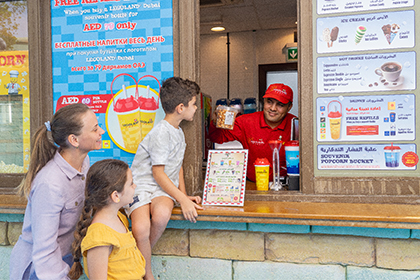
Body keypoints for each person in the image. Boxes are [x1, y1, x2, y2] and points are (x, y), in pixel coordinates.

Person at [10, 103, 105, 280]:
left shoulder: (84, 162)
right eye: (94, 129)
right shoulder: (50, 184)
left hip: (64, 261)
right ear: (74, 140)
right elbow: (44, 253)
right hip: (40, 271)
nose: (101, 131)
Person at [126, 77, 203, 280]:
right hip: (142, 185)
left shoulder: (178, 132)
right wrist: (183, 200)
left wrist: (183, 196)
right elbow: (158, 173)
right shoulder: (161, 133)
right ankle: (147, 273)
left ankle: (136, 259)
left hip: (162, 189)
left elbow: (176, 167)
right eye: (194, 104)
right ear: (180, 107)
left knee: (161, 216)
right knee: (141, 227)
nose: (196, 108)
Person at [68, 159, 145, 280]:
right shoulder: (99, 236)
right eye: (131, 183)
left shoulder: (120, 218)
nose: (134, 186)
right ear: (115, 196)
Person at [209, 83, 296, 182]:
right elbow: (216, 138)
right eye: (269, 102)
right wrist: (215, 122)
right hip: (253, 185)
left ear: (289, 107)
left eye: (280, 105)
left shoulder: (296, 125)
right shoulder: (245, 121)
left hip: (286, 187)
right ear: (263, 101)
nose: (273, 108)